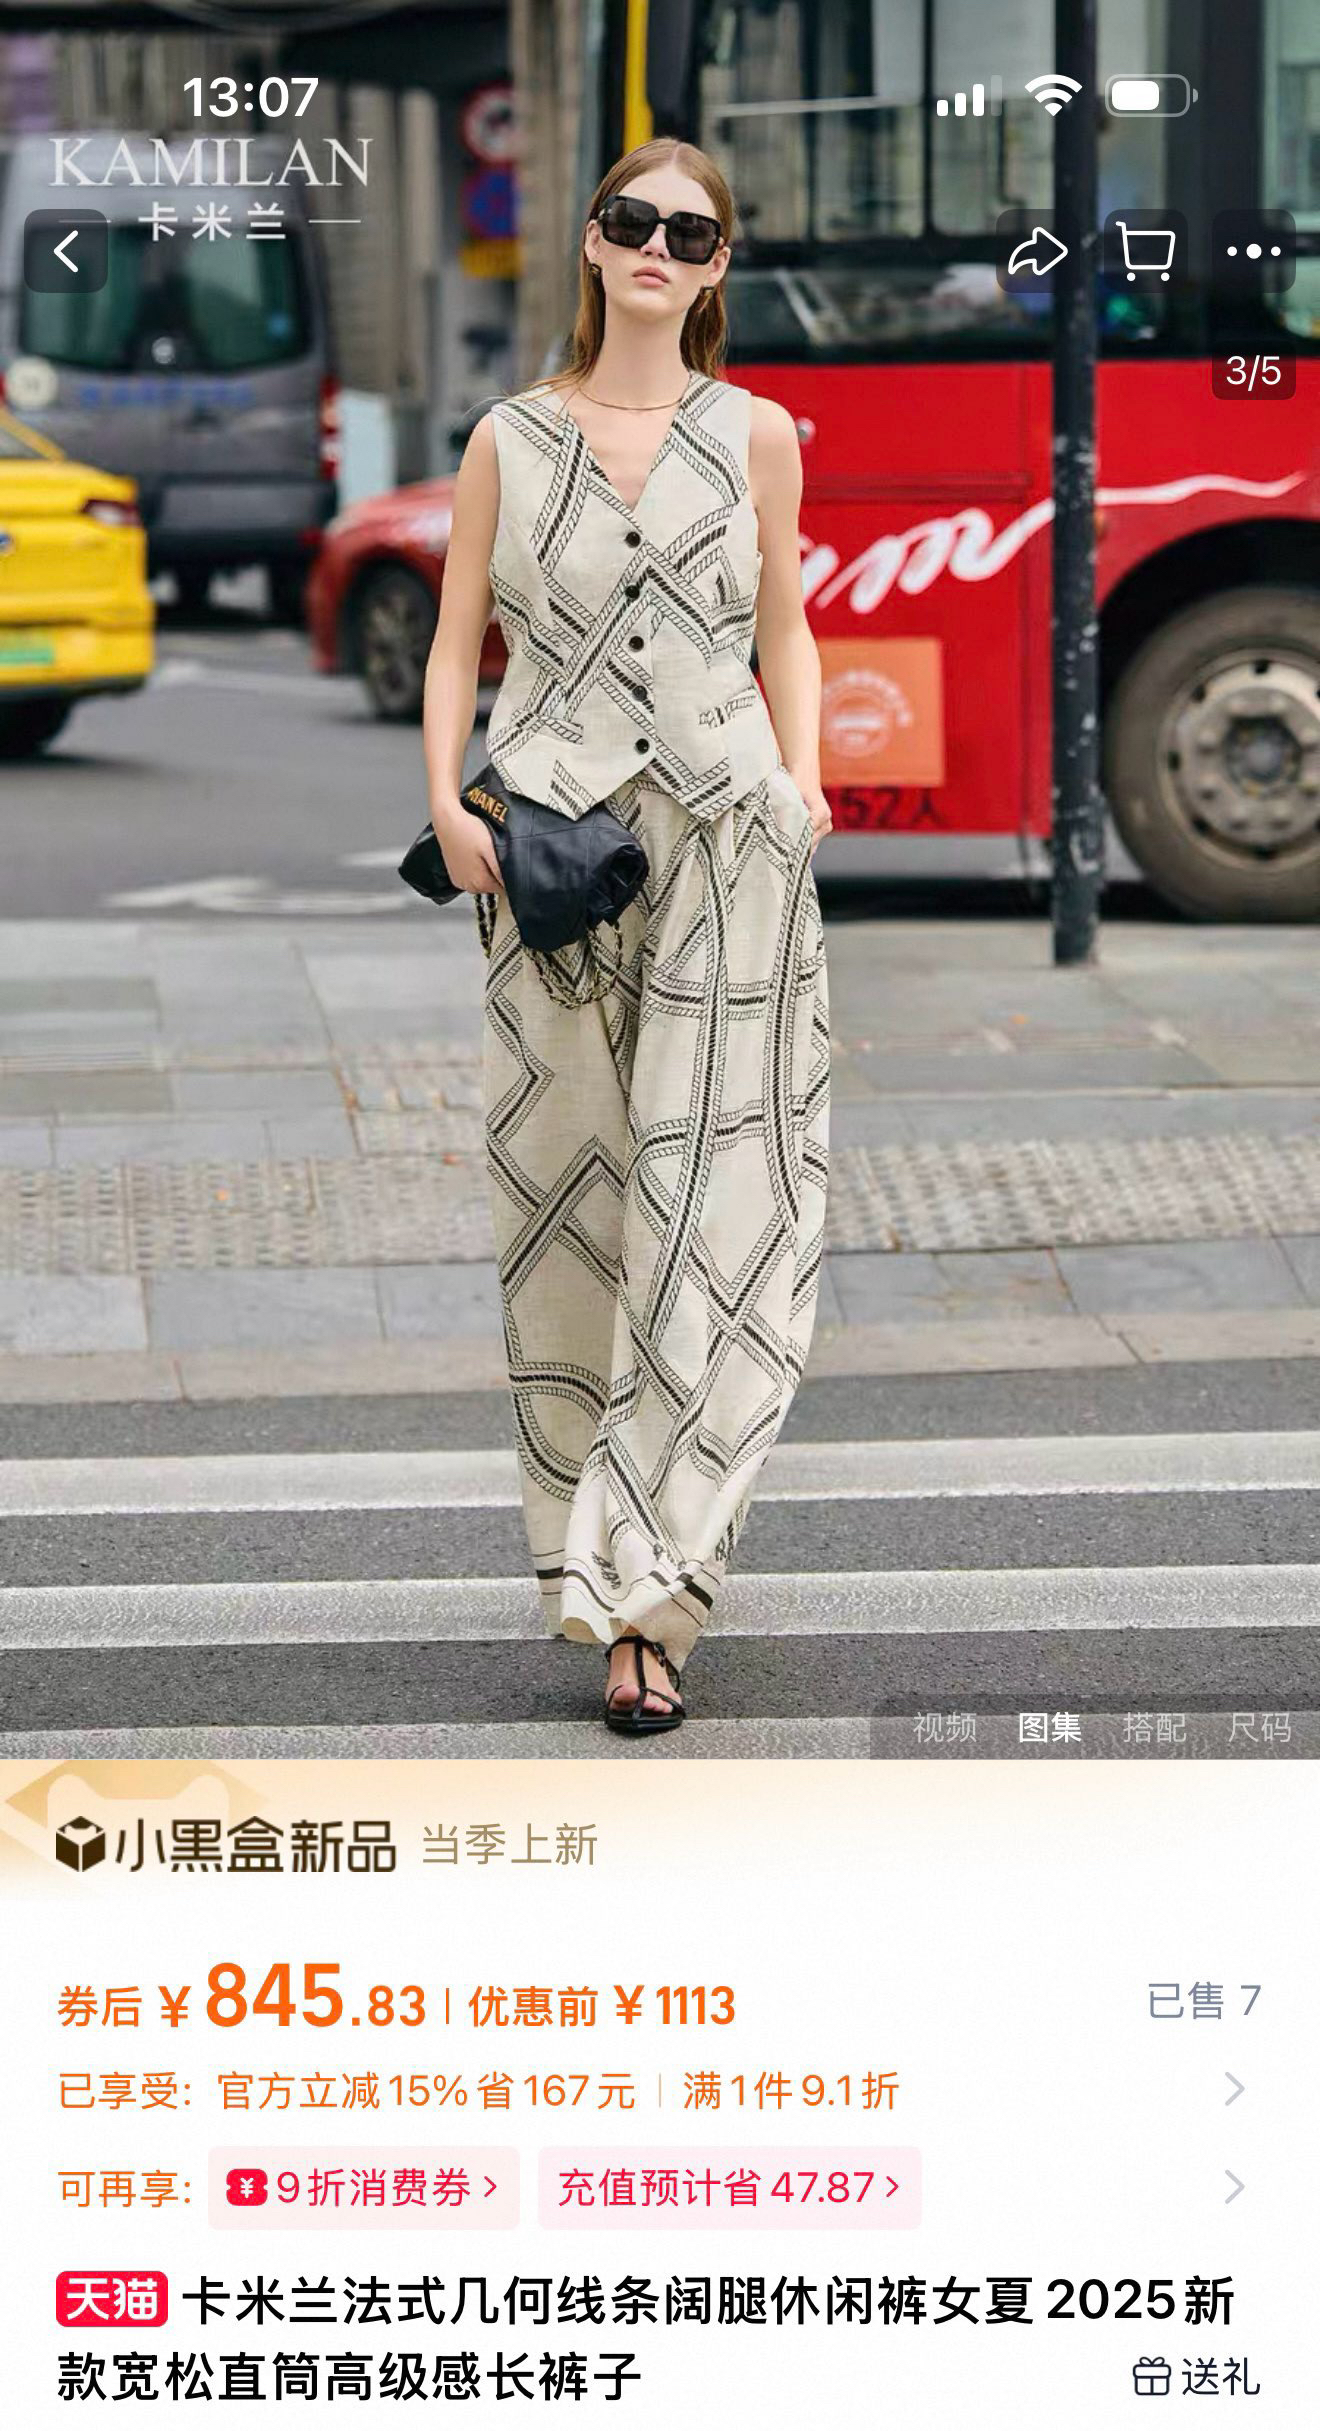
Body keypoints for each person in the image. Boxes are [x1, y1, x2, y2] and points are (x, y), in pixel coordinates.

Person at [422, 136, 831, 1737]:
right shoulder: (509, 439)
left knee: (716, 1213)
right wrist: (450, 805)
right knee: (578, 1209)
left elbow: (787, 623)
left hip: (731, 849)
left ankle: (656, 1596)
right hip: (553, 863)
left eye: (692, 232)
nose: (659, 246)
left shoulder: (759, 434)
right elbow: (456, 639)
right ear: (593, 244)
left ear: (719, 268)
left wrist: (804, 789)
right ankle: (585, 1567)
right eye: (632, 221)